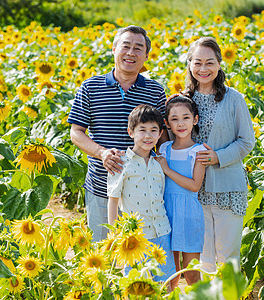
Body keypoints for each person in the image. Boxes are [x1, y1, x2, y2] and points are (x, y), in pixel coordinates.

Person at [68, 25, 167, 242]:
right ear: (114, 49)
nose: (131, 53)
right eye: (126, 46)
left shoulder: (155, 91)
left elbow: (164, 137)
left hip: (143, 191)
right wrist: (101, 153)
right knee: (104, 251)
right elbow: (76, 132)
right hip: (101, 185)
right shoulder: (90, 87)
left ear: (146, 56)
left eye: (138, 48)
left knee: (142, 258)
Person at [182, 37, 255, 274]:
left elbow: (247, 141)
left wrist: (218, 157)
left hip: (228, 188)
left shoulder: (234, 98)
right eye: (198, 63)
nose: (204, 69)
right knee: (203, 257)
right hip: (193, 189)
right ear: (190, 64)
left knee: (228, 256)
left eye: (210, 63)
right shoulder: (183, 100)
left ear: (220, 64)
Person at [107, 104, 176, 285]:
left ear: (160, 134)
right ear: (131, 132)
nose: (148, 136)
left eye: (154, 130)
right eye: (142, 130)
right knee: (135, 284)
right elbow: (113, 200)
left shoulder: (159, 163)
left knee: (165, 283)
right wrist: (115, 234)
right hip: (136, 238)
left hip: (162, 231)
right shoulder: (120, 162)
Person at [155, 95, 207, 286]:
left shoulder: (200, 151)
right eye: (174, 119)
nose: (181, 123)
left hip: (188, 216)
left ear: (195, 119)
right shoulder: (164, 148)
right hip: (165, 214)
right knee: (171, 273)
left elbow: (195, 185)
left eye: (186, 117)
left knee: (192, 272)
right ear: (167, 124)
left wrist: (167, 169)